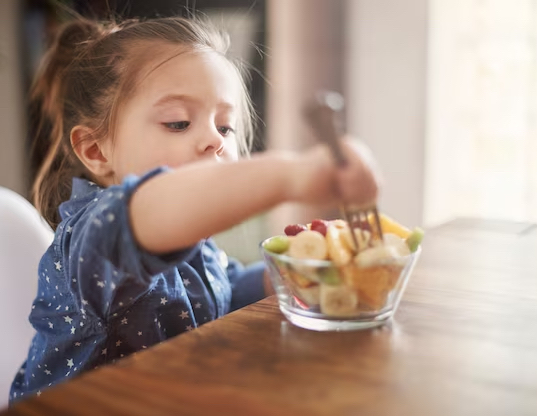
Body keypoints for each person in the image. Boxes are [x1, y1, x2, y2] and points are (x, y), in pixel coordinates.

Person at [10, 16, 380, 403]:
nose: (212, 140)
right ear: (95, 151)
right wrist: (293, 174)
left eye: (225, 127)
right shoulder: (94, 237)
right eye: (178, 123)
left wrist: (292, 273)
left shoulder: (190, 238)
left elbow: (221, 291)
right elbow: (154, 207)